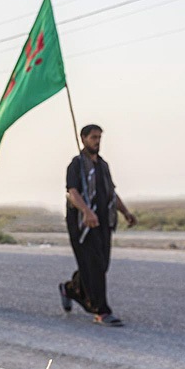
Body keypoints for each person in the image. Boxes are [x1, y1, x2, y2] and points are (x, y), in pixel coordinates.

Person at [59, 124, 137, 327]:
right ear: (83, 138)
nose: (97, 141)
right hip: (83, 223)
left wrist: (126, 212)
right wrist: (86, 211)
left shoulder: (103, 166)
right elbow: (72, 193)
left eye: (99, 137)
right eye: (93, 137)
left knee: (100, 265)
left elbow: (111, 192)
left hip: (103, 222)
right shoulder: (77, 165)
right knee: (93, 267)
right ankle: (101, 311)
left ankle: (69, 289)